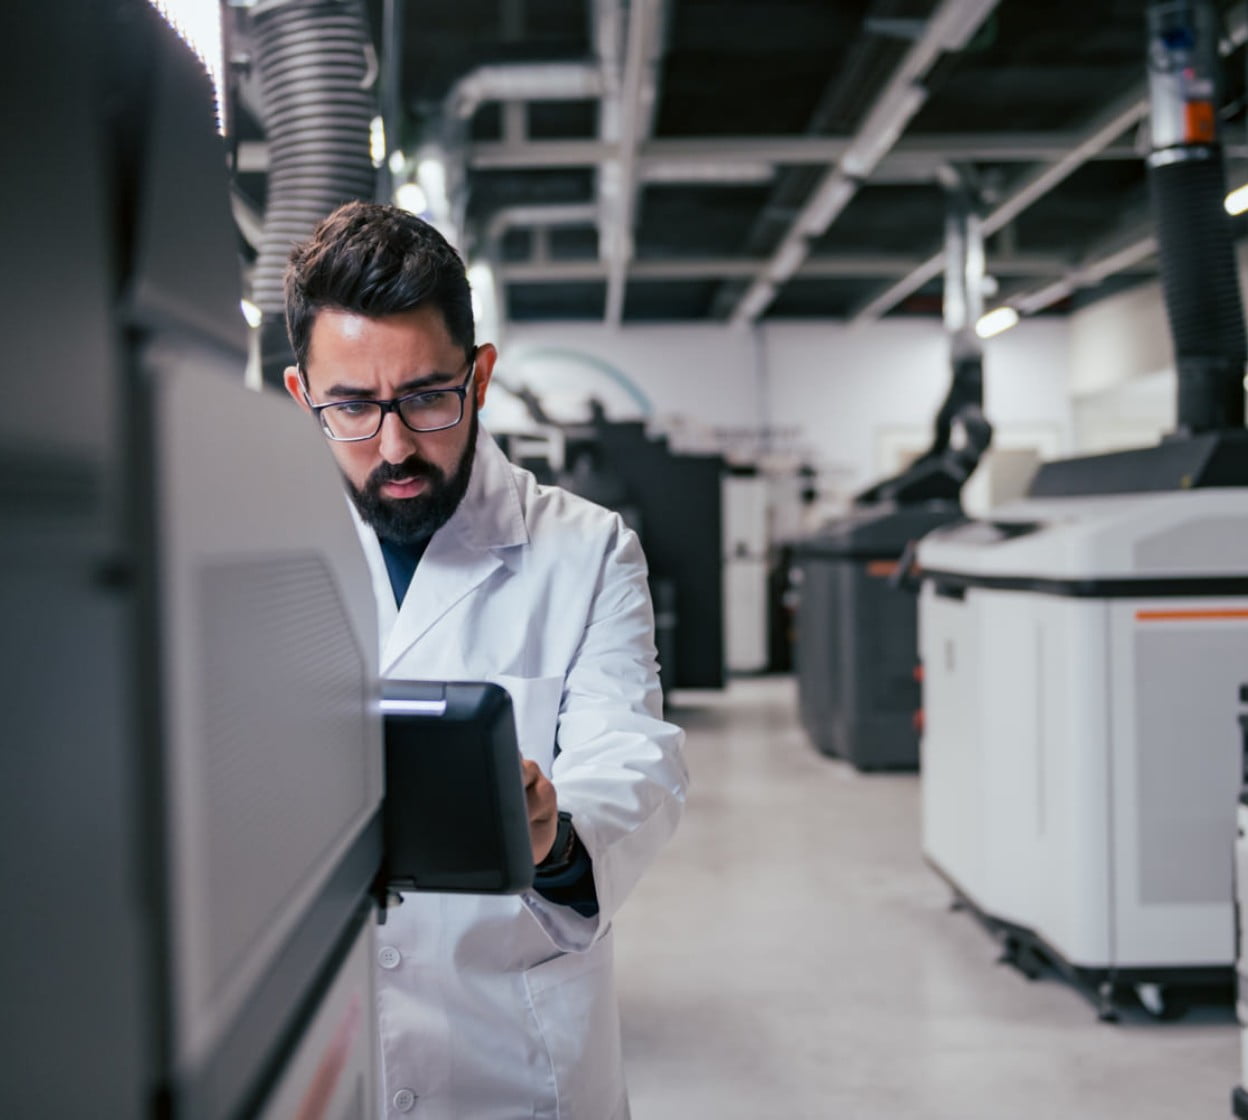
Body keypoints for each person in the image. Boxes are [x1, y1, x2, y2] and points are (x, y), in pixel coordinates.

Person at [281, 200, 688, 1119]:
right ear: (304, 395)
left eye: (427, 397)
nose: (394, 447)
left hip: (513, 1059)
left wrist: (552, 836)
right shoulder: (254, 547)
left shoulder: (585, 550)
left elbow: (636, 754)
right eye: (352, 405)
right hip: (318, 1054)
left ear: (482, 375)